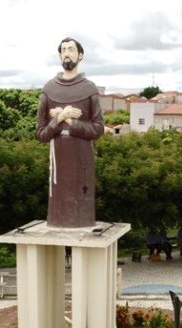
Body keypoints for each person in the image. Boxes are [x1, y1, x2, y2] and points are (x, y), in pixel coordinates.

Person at [36, 37, 104, 228]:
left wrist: (69, 120)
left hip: (82, 161)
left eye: (71, 49)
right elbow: (41, 134)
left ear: (80, 55)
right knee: (59, 215)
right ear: (59, 56)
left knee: (81, 213)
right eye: (63, 50)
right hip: (58, 160)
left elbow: (98, 128)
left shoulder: (89, 88)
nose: (67, 53)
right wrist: (58, 119)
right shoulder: (49, 89)